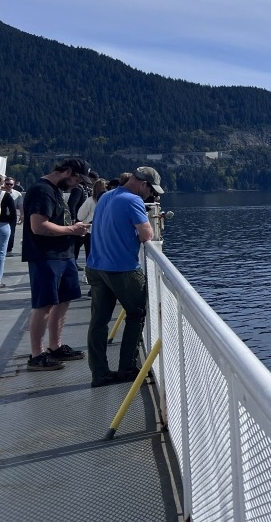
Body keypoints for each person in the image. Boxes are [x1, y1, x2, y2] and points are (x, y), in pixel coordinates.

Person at [86, 166, 163, 387]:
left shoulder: (106, 196)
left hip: (96, 266)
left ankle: (99, 373)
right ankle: (127, 367)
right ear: (143, 184)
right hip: (122, 269)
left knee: (99, 322)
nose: (151, 195)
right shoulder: (132, 200)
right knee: (136, 313)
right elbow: (146, 234)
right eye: (151, 190)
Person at [21, 158, 94, 371]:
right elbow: (38, 226)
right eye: (77, 179)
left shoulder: (54, 190)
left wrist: (72, 226)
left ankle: (55, 346)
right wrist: (73, 230)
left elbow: (54, 222)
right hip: (46, 255)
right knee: (44, 304)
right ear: (67, 172)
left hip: (63, 254)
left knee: (63, 300)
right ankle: (37, 354)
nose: (77, 185)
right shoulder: (42, 190)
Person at [76, 178, 107, 276]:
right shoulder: (108, 200)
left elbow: (80, 216)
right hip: (105, 231)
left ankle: (89, 275)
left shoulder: (89, 201)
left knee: (89, 254)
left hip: (90, 230)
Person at [3, 176, 23, 256]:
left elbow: (20, 205)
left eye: (10, 184)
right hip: (2, 215)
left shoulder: (18, 194)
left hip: (12, 215)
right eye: (7, 184)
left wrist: (22, 215)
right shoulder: (0, 192)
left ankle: (8, 250)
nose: (8, 186)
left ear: (14, 185)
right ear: (4, 184)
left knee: (11, 233)